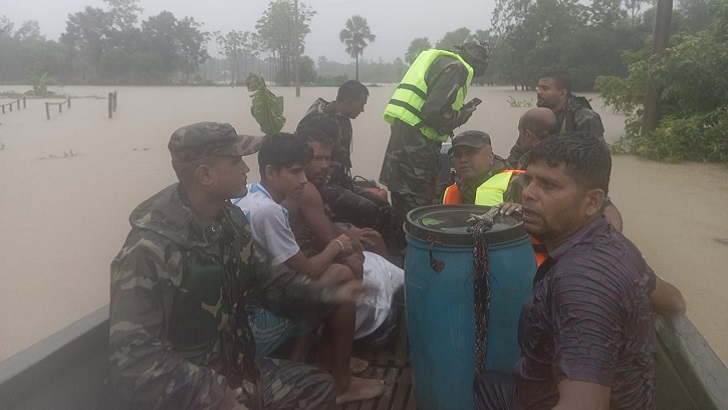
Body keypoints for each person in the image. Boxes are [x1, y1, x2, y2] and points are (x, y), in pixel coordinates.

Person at [108, 122, 368, 409]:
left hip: (235, 371)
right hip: (188, 393)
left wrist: (330, 297)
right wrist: (216, 395)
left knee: (317, 387)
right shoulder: (148, 250)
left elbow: (274, 283)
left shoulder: (230, 222)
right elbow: (135, 363)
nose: (245, 170)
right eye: (235, 161)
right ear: (205, 175)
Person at [474, 133, 681, 410]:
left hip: (546, 400)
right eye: (529, 179)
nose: (528, 193)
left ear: (593, 202)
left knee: (479, 385)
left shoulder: (582, 284)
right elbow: (675, 301)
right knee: (485, 383)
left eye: (548, 185)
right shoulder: (617, 244)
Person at [233, 132, 386, 405]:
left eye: (304, 170)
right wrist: (338, 245)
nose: (304, 179)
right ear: (271, 172)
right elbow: (309, 272)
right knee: (339, 276)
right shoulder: (268, 212)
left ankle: (306, 362)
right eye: (295, 172)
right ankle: (340, 382)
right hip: (254, 329)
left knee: (327, 280)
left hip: (242, 313)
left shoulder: (247, 198)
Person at [285, 127, 404, 348]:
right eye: (316, 158)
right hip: (298, 272)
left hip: (306, 258)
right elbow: (336, 245)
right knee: (353, 262)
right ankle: (343, 345)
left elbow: (323, 224)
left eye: (327, 158)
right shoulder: (305, 188)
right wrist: (349, 248)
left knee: (372, 240)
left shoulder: (309, 185)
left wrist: (347, 232)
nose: (324, 165)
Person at [378, 40, 491, 248]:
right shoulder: (457, 68)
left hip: (400, 144)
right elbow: (435, 115)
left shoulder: (438, 59)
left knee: (401, 207)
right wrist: (463, 115)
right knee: (418, 213)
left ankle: (400, 255)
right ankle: (414, 259)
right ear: (478, 61)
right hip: (417, 150)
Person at [296, 81, 393, 238]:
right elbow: (312, 168)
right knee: (370, 210)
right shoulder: (321, 122)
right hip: (324, 186)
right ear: (348, 101)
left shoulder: (342, 118)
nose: (362, 110)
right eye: (361, 105)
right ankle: (369, 249)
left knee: (384, 206)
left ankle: (386, 250)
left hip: (341, 181)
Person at [507, 71, 605, 167]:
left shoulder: (585, 118)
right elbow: (516, 156)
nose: (538, 92)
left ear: (562, 93)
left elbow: (597, 161)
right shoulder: (537, 117)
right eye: (538, 87)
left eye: (545, 88)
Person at [441, 130, 521, 206]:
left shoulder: (517, 183)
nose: (463, 159)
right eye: (458, 154)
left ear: (490, 157)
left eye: (470, 153)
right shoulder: (451, 191)